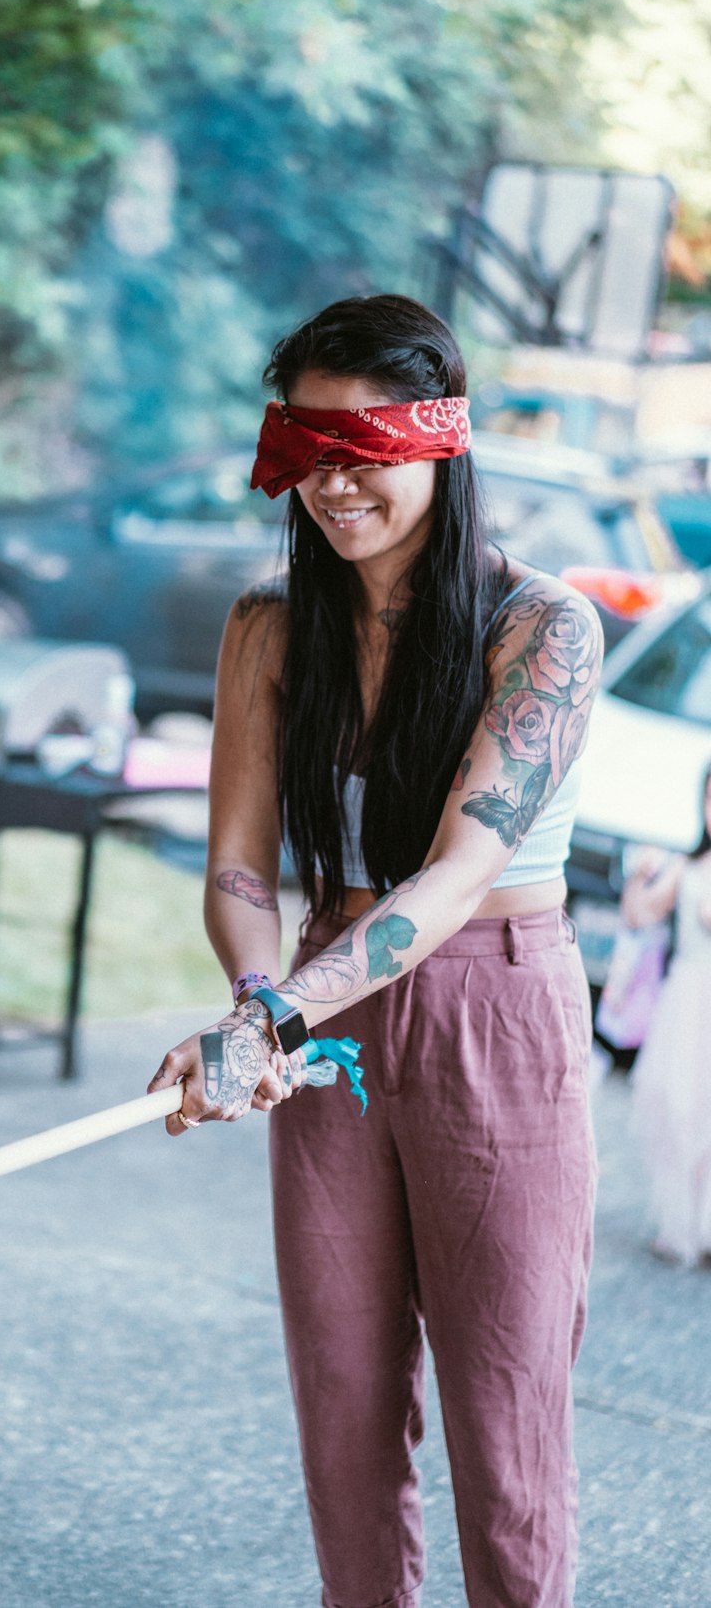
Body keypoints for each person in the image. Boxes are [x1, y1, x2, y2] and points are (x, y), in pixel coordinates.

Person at [148, 295, 603, 1608]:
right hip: (322, 1004)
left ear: (441, 446)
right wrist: (256, 1001)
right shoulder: (269, 626)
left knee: (506, 1431)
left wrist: (275, 1020)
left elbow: (460, 877)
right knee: (344, 1418)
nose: (335, 486)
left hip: (494, 1012)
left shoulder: (542, 628)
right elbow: (240, 870)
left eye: (367, 449)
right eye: (306, 451)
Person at [627, 765, 711, 1266]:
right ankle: (683, 1223)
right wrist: (639, 877)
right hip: (688, 999)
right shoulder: (687, 866)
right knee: (680, 1108)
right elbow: (640, 916)